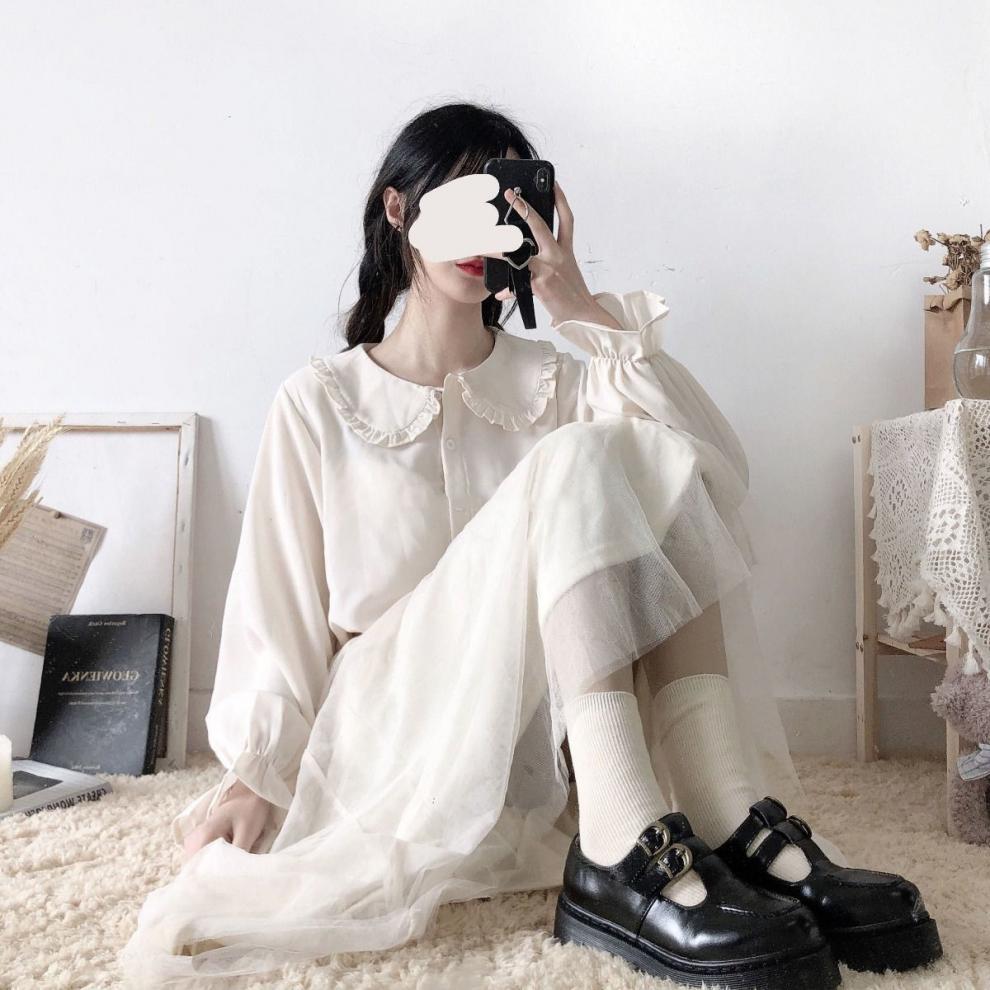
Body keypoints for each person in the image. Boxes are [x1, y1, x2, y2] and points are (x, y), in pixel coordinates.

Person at [120, 102, 941, 989]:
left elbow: (709, 475)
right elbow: (275, 608)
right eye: (463, 202)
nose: (486, 230)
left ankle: (724, 812)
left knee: (644, 449)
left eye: (505, 203)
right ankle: (623, 852)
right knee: (585, 451)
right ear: (399, 210)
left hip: (532, 747)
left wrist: (576, 304)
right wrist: (257, 777)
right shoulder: (320, 403)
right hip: (393, 737)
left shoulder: (559, 381)